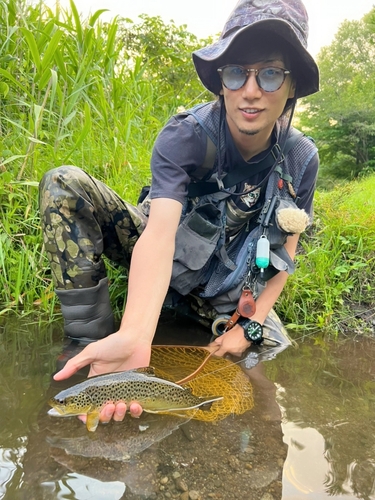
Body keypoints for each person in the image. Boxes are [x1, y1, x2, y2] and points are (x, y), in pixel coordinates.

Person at [39, 0, 319, 424]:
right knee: (63, 183)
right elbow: (158, 233)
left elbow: (287, 255)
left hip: (227, 292)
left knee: (274, 349)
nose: (251, 89)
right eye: (235, 71)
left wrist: (252, 326)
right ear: (220, 81)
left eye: (270, 72)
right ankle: (90, 345)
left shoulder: (301, 159)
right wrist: (135, 334)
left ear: (292, 84)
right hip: (162, 263)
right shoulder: (186, 136)